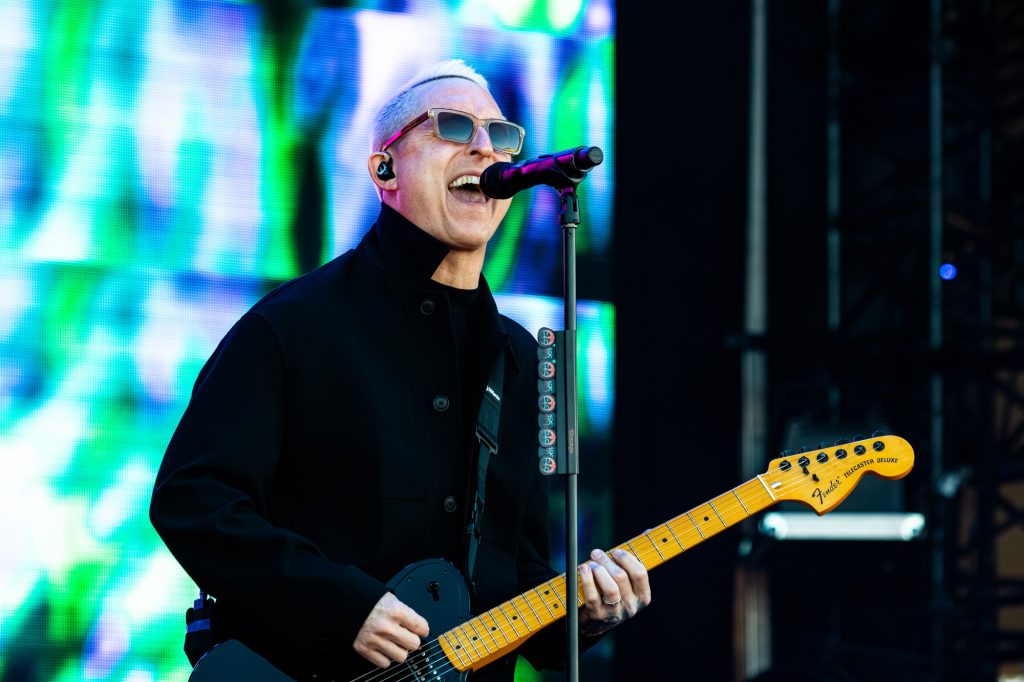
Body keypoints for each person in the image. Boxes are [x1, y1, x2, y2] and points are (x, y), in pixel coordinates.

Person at [150, 59, 651, 681]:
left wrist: (586, 614)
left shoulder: (519, 358)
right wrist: (342, 606)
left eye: (500, 134)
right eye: (453, 126)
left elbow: (510, 576)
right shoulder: (294, 326)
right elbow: (193, 500)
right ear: (384, 169)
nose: (484, 148)